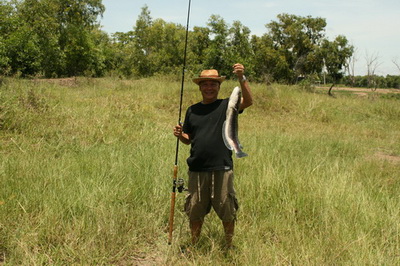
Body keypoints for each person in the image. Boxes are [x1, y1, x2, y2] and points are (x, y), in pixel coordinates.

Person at [173, 63, 253, 248]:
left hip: (222, 167)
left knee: (227, 209)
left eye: (213, 84)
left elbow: (248, 102)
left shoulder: (227, 105)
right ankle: (194, 243)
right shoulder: (192, 110)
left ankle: (228, 245)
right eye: (205, 84)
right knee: (194, 210)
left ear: (218, 87)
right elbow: (188, 139)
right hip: (197, 169)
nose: (209, 88)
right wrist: (180, 135)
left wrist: (242, 78)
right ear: (200, 87)